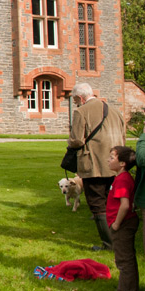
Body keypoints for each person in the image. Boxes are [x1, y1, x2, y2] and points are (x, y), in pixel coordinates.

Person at [67, 83, 125, 251]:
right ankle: (119, 240)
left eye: (75, 99)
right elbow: (123, 136)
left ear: (79, 98)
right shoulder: (114, 110)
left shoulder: (81, 111)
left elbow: (77, 139)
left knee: (97, 203)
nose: (76, 102)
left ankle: (109, 245)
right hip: (115, 164)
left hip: (94, 165)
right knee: (111, 201)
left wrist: (69, 142)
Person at [105, 146, 138, 290]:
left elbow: (124, 205)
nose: (108, 160)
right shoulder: (120, 178)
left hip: (123, 224)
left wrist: (116, 224)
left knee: (124, 261)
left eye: (112, 158)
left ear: (122, 163)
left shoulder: (122, 180)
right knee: (126, 259)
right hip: (122, 223)